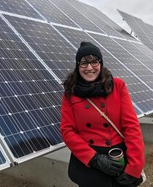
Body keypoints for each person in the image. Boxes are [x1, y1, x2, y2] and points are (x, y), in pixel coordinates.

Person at [60, 41, 145, 187]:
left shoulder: (118, 86)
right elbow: (67, 131)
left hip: (119, 158)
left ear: (100, 63)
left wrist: (134, 167)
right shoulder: (70, 93)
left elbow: (131, 126)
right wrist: (94, 159)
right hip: (90, 163)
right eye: (83, 63)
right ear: (77, 65)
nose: (89, 68)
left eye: (94, 62)